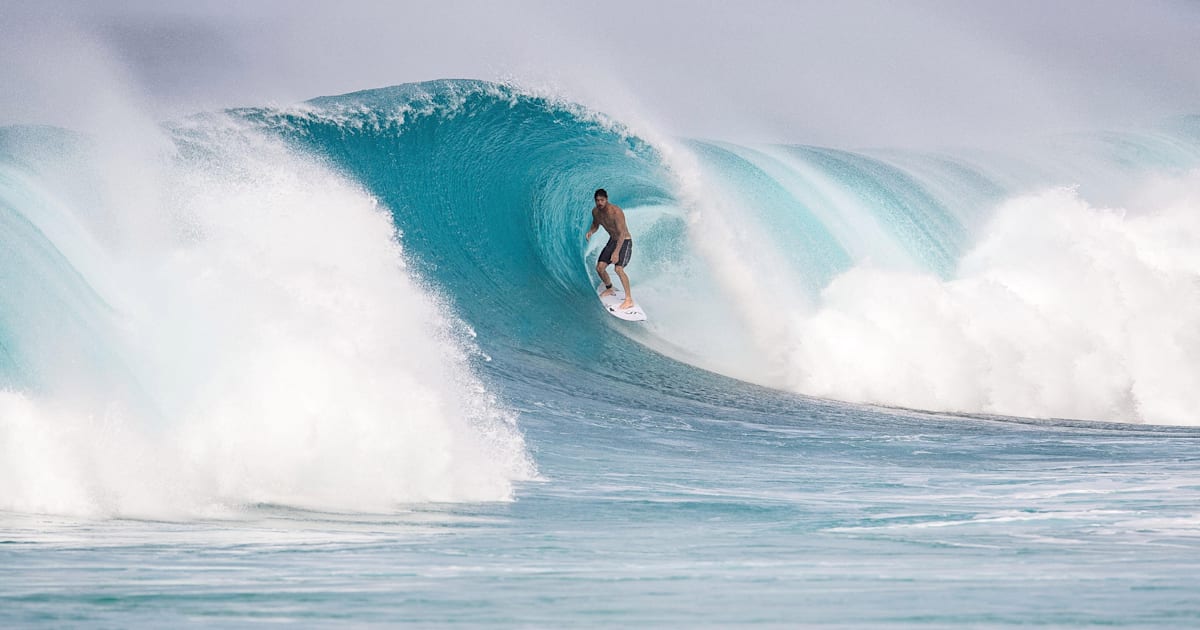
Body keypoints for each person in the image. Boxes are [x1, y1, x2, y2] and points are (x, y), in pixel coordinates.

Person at [584, 188, 635, 310]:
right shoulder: (596, 212)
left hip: (624, 241)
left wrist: (616, 252)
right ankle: (609, 288)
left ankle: (629, 299)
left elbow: (622, 234)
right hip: (612, 240)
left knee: (618, 269)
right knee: (600, 268)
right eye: (597, 200)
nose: (599, 203)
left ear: (606, 199)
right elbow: (596, 224)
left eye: (602, 200)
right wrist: (591, 231)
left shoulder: (616, 212)